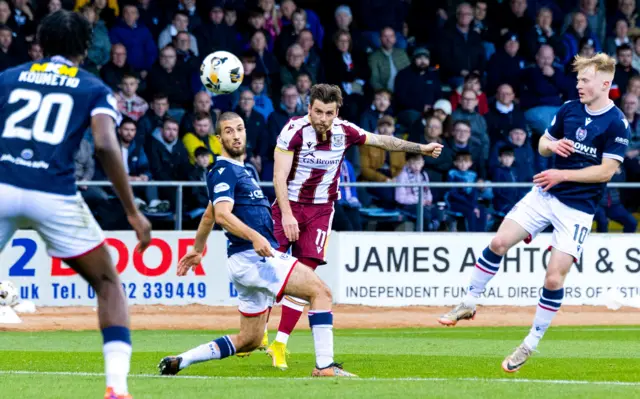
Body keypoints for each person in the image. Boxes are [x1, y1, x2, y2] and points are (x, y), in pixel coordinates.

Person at [437, 53, 631, 373]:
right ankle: (469, 302)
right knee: (499, 242)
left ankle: (530, 342)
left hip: (577, 209)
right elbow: (542, 142)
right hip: (544, 194)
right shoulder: (569, 109)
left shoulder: (616, 123)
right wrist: (552, 148)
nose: (579, 84)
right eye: (578, 79)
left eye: (585, 80)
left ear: (604, 84)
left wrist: (562, 175)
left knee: (554, 278)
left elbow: (606, 171)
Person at [0, 10, 151, 399]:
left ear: (40, 44)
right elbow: (104, 144)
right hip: (54, 192)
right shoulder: (93, 88)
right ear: (85, 49)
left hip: (2, 184)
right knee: (107, 283)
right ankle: (117, 388)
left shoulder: (8, 78)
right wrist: (132, 211)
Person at [160, 112, 356, 378]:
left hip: (246, 261)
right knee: (320, 292)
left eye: (239, 129)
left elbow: (209, 214)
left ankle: (182, 360)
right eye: (228, 131)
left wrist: (197, 249)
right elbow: (222, 215)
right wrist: (255, 237)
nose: (236, 135)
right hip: (253, 257)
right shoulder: (222, 169)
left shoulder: (239, 171)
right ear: (219, 139)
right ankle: (325, 367)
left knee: (249, 339)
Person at [267, 83, 443, 369]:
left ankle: (280, 343)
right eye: (317, 111)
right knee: (270, 274)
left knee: (305, 279)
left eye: (328, 113)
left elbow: (384, 141)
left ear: (337, 112)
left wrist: (421, 148)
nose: (322, 118)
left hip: (321, 211)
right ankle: (256, 334)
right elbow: (278, 176)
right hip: (288, 207)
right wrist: (286, 214)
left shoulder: (344, 131)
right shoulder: (293, 131)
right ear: (308, 108)